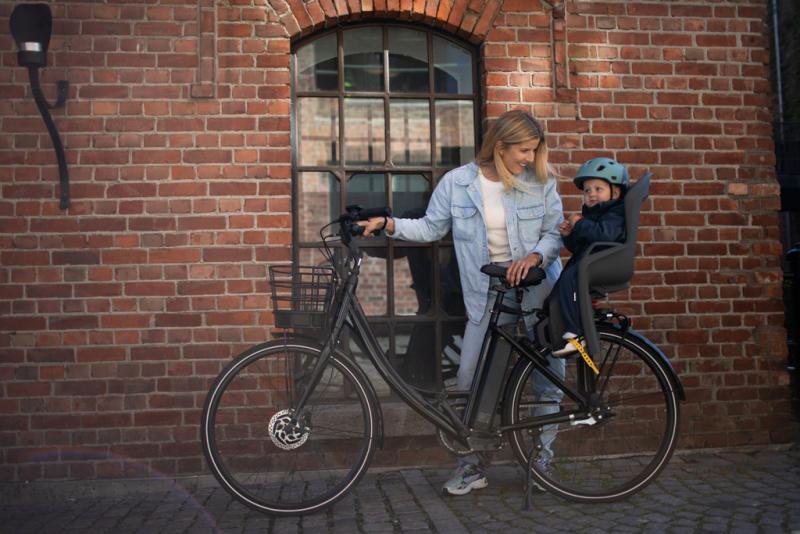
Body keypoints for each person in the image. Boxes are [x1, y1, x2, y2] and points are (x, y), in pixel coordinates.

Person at [359, 109, 564, 496]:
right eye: (523, 150)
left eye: (534, 150)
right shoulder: (458, 183)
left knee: (548, 380)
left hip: (538, 290)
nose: (529, 158)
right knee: (470, 380)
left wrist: (535, 257)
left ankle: (542, 460)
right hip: (487, 294)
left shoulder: (540, 181)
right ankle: (473, 467)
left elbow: (554, 233)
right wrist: (388, 224)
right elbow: (431, 227)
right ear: (500, 146)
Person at [553, 157, 628, 356]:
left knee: (571, 280)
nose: (591, 194)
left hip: (605, 264)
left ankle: (575, 332)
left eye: (598, 189)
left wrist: (579, 223)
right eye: (587, 191)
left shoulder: (615, 214)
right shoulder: (594, 215)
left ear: (615, 192)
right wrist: (569, 236)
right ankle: (563, 329)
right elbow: (580, 247)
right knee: (561, 287)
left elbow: (604, 235)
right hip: (591, 262)